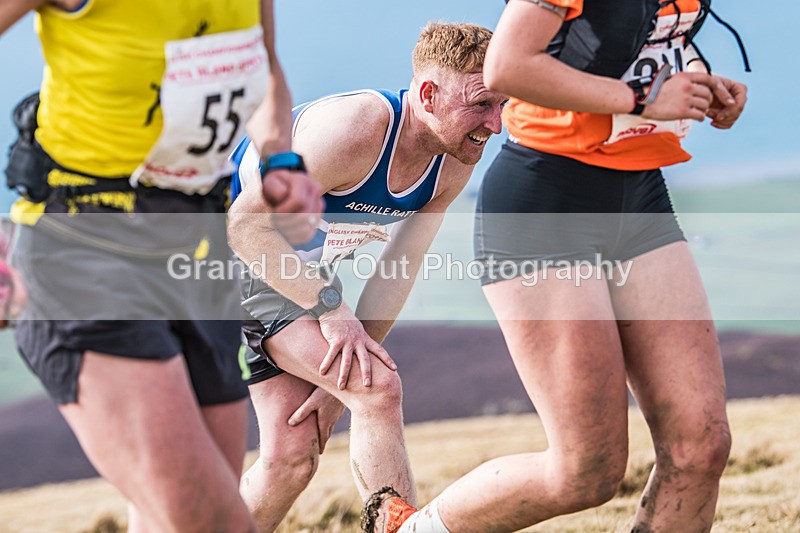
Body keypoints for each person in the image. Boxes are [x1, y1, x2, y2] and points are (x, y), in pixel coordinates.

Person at [365, 1, 748, 532]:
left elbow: (633, 50)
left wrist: (701, 86)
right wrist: (642, 98)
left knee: (701, 446)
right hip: (546, 202)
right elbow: (507, 66)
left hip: (638, 193)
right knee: (587, 471)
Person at [0, 1, 322, 531]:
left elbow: (262, 63)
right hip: (83, 252)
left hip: (195, 256)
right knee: (212, 522)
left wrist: (279, 159)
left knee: (176, 517)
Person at [226, 21, 506, 532]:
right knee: (378, 389)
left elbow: (397, 272)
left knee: (292, 458)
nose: (498, 123)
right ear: (429, 93)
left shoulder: (453, 159)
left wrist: (341, 385)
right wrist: (333, 313)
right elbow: (245, 229)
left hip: (287, 273)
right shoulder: (356, 130)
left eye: (504, 104)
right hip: (230, 256)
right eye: (483, 104)